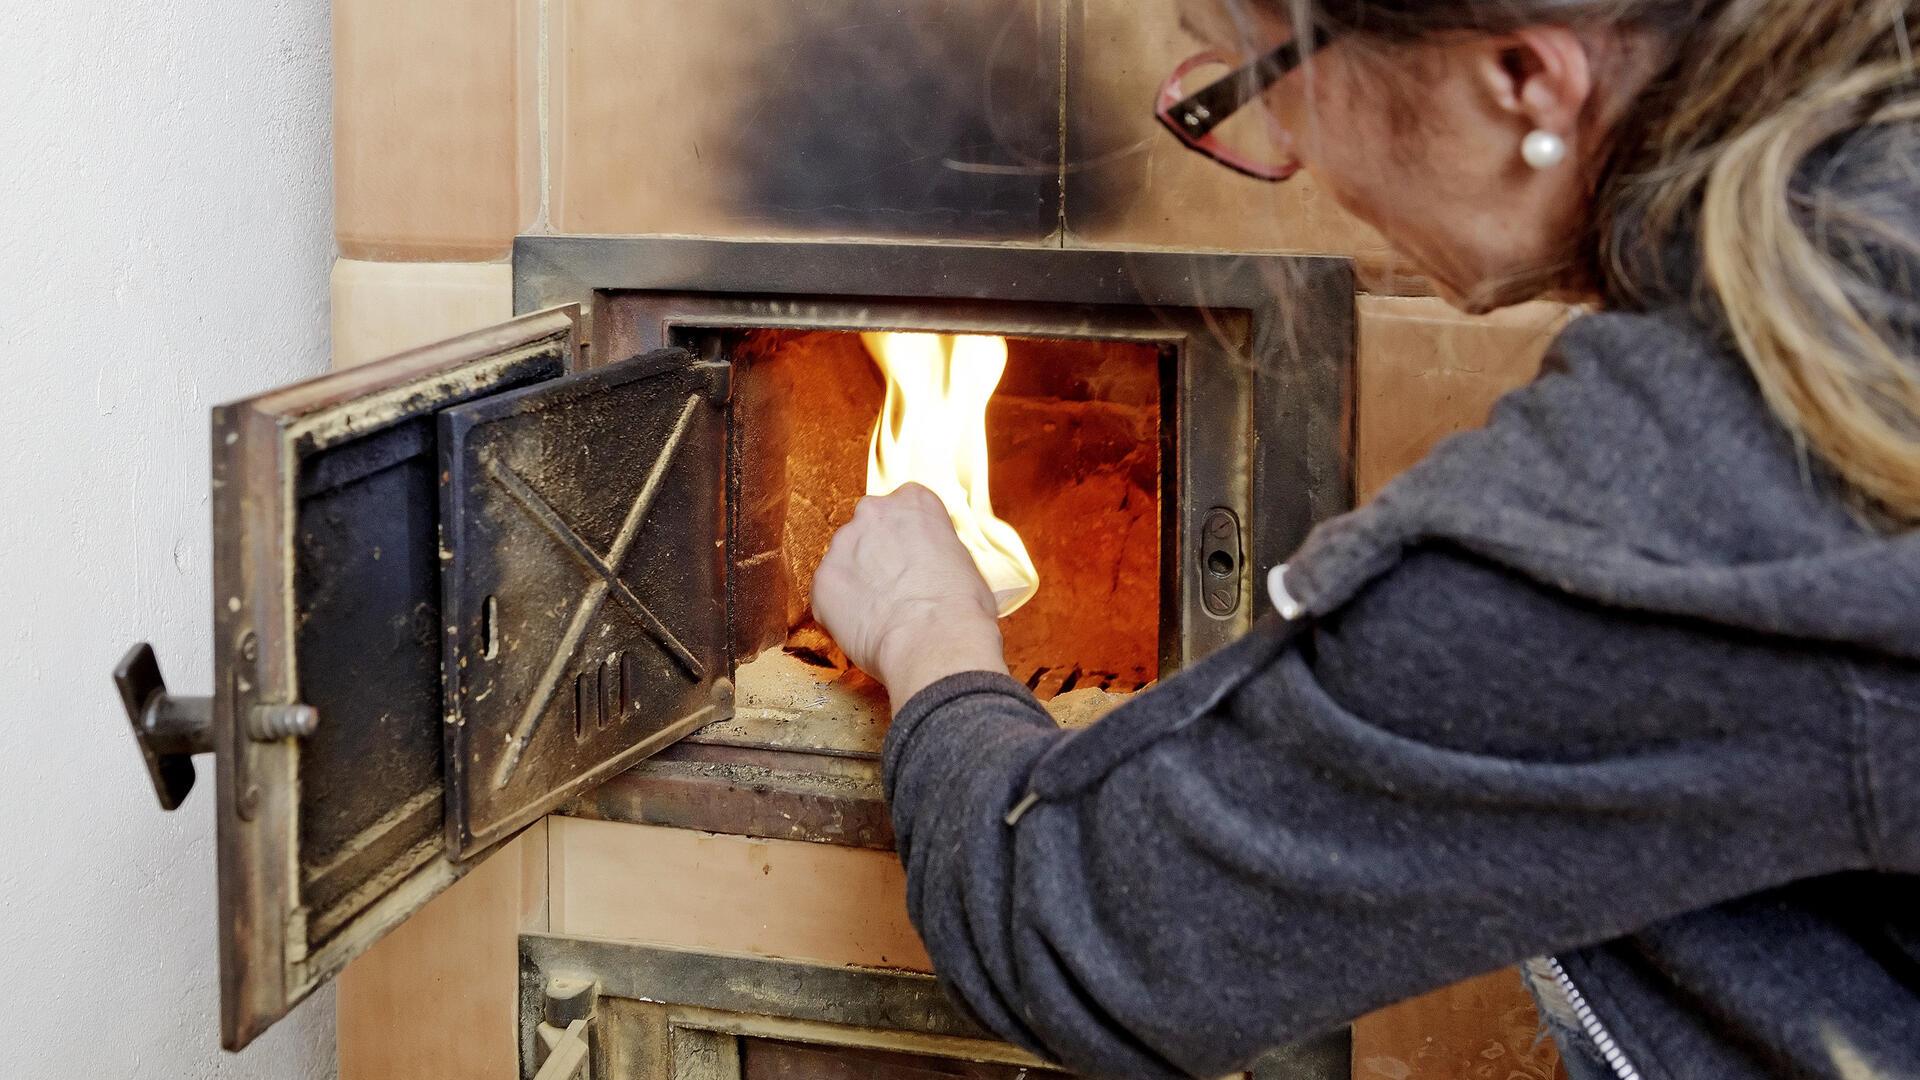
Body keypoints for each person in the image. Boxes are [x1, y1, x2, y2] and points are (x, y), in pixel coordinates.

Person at [808, 0, 1920, 1076]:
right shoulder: (1866, 235)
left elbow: (1077, 930)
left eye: (1273, 79)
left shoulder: (1657, 508)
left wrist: (925, 629)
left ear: (1525, 77)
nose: (1291, 157)